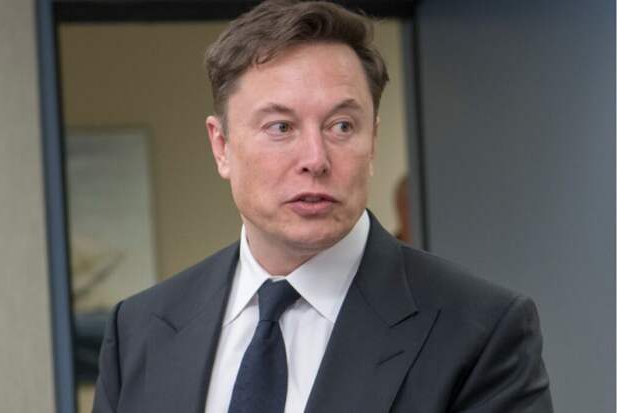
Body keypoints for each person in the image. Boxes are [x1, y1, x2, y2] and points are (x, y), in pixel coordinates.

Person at [92, 1, 553, 412]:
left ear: (372, 141)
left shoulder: (480, 331)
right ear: (221, 146)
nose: (315, 159)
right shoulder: (139, 329)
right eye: (280, 127)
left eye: (341, 126)